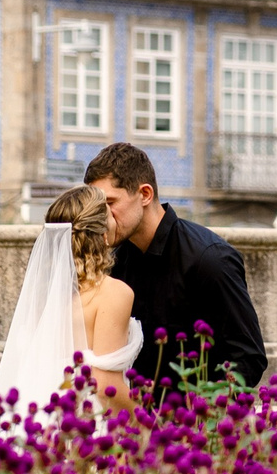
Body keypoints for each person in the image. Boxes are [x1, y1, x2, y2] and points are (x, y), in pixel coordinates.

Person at [84, 142, 267, 390]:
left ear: (145, 194)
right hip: (130, 421)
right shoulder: (111, 261)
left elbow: (248, 358)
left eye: (110, 203)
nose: (102, 216)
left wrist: (200, 413)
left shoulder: (209, 259)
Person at [0, 185, 143, 418]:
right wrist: (151, 427)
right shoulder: (113, 293)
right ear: (102, 236)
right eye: (109, 212)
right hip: (85, 425)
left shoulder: (43, 297)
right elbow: (105, 387)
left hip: (40, 419)